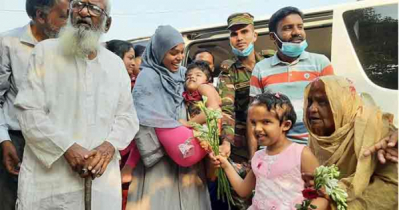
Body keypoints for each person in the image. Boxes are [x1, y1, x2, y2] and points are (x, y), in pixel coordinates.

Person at [14, 0, 139, 209]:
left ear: (107, 24)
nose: (83, 12)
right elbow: (29, 111)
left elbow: (127, 116)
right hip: (50, 185)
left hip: (101, 184)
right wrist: (66, 148)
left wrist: (109, 147)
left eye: (94, 8)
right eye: (78, 4)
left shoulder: (114, 64)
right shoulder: (45, 52)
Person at [126, 25, 211, 210]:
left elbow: (201, 99)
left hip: (187, 148)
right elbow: (142, 116)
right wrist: (170, 138)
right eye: (173, 53)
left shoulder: (183, 74)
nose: (180, 57)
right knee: (160, 199)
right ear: (159, 51)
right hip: (159, 158)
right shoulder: (148, 76)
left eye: (181, 52)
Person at [0, 0, 69, 209]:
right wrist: (4, 140)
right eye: (64, 16)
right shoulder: (9, 43)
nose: (70, 24)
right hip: (17, 143)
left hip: (59, 142)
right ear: (40, 16)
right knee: (13, 201)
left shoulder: (67, 46)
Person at [216, 92, 328, 210]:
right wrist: (225, 164)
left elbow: (322, 195)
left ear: (285, 125)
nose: (257, 129)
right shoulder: (258, 157)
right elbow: (243, 190)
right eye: (253, 123)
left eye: (266, 122)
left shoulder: (301, 154)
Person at [303, 76, 398, 209]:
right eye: (310, 101)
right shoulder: (319, 136)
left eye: (322, 102)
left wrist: (334, 206)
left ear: (343, 104)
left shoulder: (376, 130)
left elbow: (391, 187)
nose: (312, 109)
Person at [249, 6, 334, 149]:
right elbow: (253, 116)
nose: (296, 32)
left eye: (300, 27)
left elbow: (333, 106)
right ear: (272, 37)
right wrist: (254, 156)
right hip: (273, 148)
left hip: (314, 146)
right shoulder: (260, 69)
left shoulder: (320, 63)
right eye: (288, 28)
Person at [217, 12, 266, 209]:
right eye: (234, 34)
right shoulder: (229, 71)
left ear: (255, 35)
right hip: (241, 150)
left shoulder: (269, 62)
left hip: (271, 143)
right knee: (243, 201)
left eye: (244, 32)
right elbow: (226, 109)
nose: (239, 38)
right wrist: (226, 141)